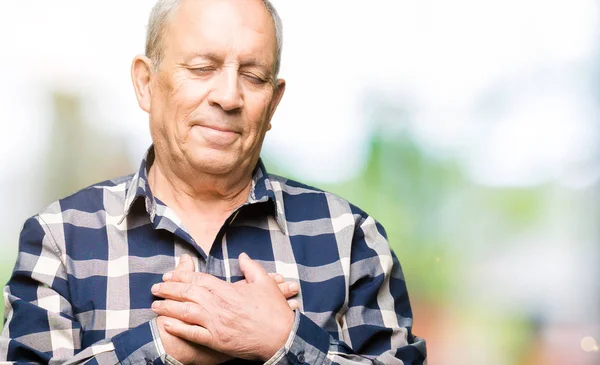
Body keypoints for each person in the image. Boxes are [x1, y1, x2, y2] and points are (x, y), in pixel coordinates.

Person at [0, 0, 427, 364]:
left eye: (253, 77)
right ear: (146, 84)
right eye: (203, 68)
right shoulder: (60, 239)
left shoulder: (350, 239)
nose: (228, 96)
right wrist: (163, 346)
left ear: (273, 102)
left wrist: (284, 341)